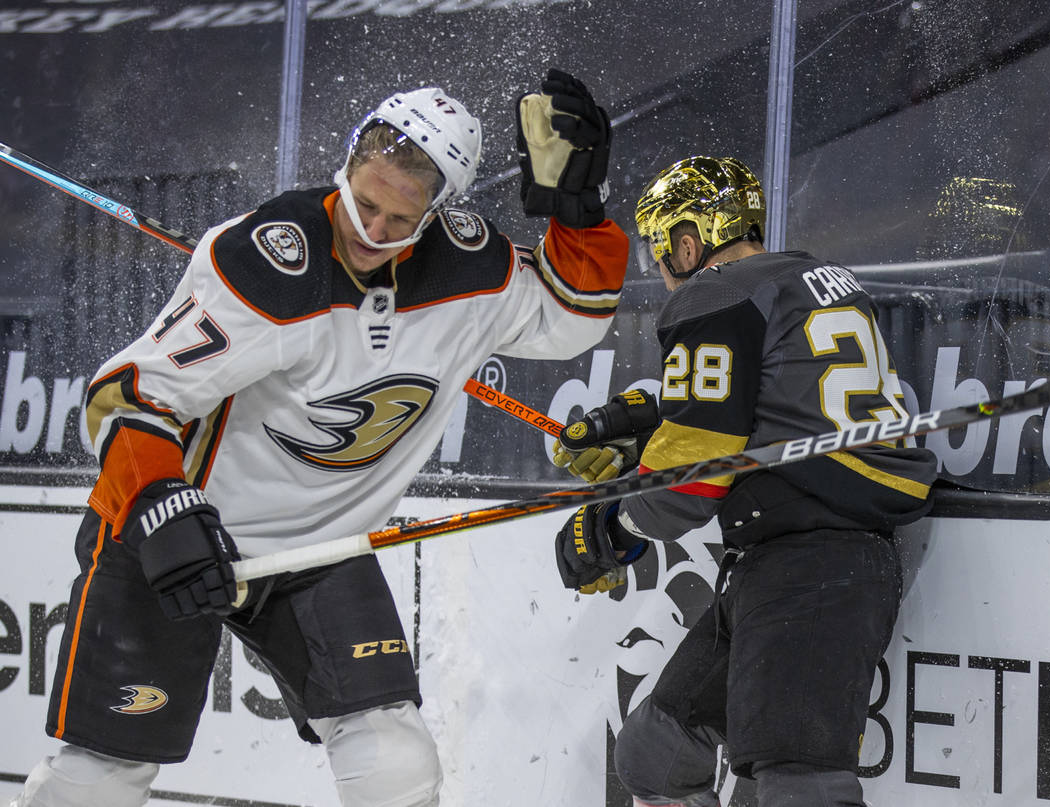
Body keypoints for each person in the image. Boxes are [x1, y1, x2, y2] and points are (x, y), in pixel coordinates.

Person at [13, 69, 627, 807]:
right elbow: (123, 398)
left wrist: (580, 216)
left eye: (400, 220)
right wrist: (161, 505)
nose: (373, 232)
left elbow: (571, 320)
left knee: (395, 757)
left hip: (318, 549)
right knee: (103, 774)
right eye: (365, 203)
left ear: (439, 213)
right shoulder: (265, 264)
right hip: (174, 535)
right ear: (345, 167)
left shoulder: (472, 268)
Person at [552, 156, 938, 806]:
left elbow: (691, 480)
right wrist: (650, 413)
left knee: (792, 789)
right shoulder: (817, 278)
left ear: (687, 240)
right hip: (800, 560)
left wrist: (616, 526)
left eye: (661, 253)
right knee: (656, 754)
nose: (663, 274)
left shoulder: (714, 292)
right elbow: (778, 400)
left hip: (814, 566)